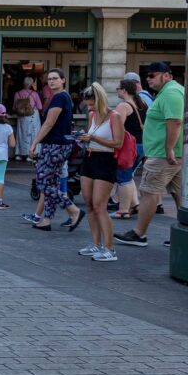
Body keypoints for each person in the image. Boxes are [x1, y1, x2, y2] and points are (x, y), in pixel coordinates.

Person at [118, 61, 182, 248]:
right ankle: (183, 233)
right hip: (168, 154)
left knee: (148, 192)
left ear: (166, 75)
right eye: (147, 76)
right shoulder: (169, 92)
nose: (148, 79)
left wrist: (169, 148)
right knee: (179, 194)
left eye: (152, 75)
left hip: (163, 155)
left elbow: (175, 122)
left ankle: (139, 234)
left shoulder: (171, 93)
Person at [28, 68, 83, 232]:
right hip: (60, 145)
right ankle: (47, 219)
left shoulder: (59, 97)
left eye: (55, 78)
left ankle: (74, 210)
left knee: (43, 182)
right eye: (49, 79)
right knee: (52, 183)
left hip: (55, 145)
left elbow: (49, 123)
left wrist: (34, 142)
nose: (51, 81)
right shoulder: (63, 97)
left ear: (63, 80)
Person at [76, 82, 124, 262]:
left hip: (105, 160)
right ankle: (96, 243)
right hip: (89, 158)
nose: (89, 107)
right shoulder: (92, 115)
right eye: (87, 104)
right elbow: (91, 136)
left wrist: (93, 137)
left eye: (91, 103)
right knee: (88, 203)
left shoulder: (115, 116)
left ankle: (110, 248)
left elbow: (118, 143)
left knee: (99, 205)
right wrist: (84, 137)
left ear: (100, 100)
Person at [111, 79, 146, 219]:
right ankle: (135, 204)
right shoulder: (140, 104)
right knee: (129, 176)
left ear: (124, 90)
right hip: (141, 144)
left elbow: (118, 127)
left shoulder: (123, 106)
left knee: (123, 177)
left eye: (118, 88)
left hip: (129, 146)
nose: (117, 90)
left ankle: (123, 210)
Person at [12, 75, 42, 161]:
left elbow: (14, 108)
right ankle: (31, 154)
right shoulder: (34, 94)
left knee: (21, 134)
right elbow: (40, 107)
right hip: (33, 116)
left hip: (22, 117)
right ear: (31, 84)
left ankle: (19, 154)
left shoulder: (17, 94)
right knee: (33, 134)